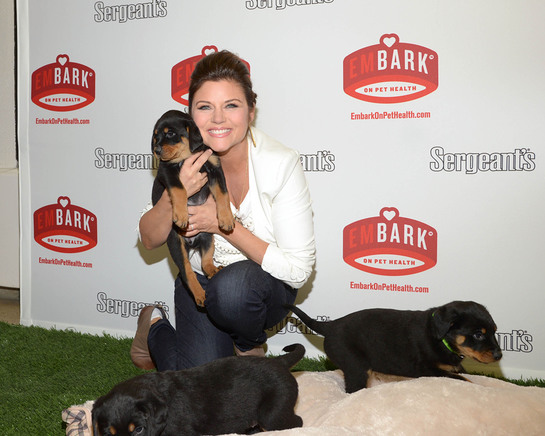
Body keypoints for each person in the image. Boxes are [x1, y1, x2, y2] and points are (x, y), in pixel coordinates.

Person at [131, 50, 315, 371]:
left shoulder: (280, 163)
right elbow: (149, 238)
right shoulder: (183, 160)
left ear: (251, 112)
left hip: (261, 290)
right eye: (205, 107)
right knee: (199, 394)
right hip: (201, 282)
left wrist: (220, 224)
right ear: (189, 116)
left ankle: (247, 347)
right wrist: (175, 195)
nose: (218, 119)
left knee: (233, 289)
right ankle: (154, 326)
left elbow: (298, 270)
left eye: (231, 105)